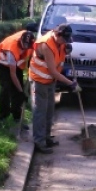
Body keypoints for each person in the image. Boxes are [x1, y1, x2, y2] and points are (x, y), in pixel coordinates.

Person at [29, 23, 81, 154]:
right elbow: (52, 71)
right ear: (58, 35)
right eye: (64, 40)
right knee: (40, 111)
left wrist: (66, 48)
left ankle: (46, 137)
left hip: (51, 81)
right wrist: (71, 83)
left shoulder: (60, 41)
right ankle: (39, 142)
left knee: (49, 110)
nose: (65, 42)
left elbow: (61, 52)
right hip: (39, 80)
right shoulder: (46, 45)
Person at [0, 30, 35, 129]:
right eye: (23, 46)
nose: (25, 48)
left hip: (17, 64)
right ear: (20, 41)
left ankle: (17, 117)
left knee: (18, 89)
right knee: (6, 88)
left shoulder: (33, 43)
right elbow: (13, 74)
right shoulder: (12, 48)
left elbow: (32, 58)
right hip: (3, 63)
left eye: (27, 46)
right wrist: (22, 92)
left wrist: (31, 66)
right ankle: (3, 116)